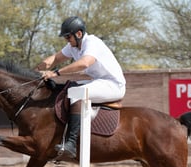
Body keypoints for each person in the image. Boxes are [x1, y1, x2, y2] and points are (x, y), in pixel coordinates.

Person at [37, 16, 126, 159]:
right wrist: (36, 71)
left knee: (76, 92)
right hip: (99, 82)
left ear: (79, 34)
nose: (67, 40)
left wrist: (56, 73)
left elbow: (84, 63)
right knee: (67, 87)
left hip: (113, 85)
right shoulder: (73, 46)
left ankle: (71, 143)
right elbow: (55, 58)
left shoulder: (92, 42)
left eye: (68, 37)